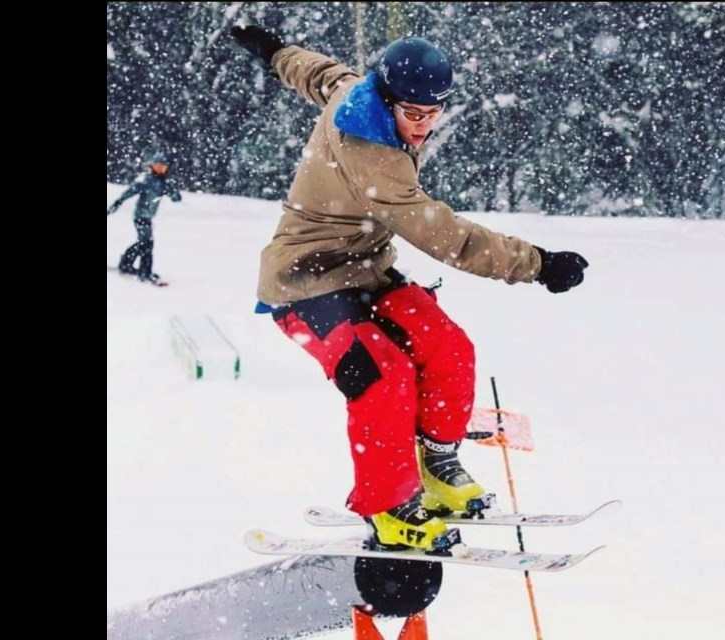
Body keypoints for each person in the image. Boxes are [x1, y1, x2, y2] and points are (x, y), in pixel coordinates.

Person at [232, 26, 588, 552]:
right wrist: (535, 264)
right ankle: (389, 506)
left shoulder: (355, 90)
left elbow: (318, 73)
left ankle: (438, 463)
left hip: (369, 273)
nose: (423, 126)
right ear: (386, 97)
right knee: (381, 373)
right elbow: (446, 237)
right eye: (413, 114)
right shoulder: (374, 157)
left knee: (448, 348)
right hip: (305, 283)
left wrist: (275, 51)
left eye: (433, 112)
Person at [107, 153, 182, 284]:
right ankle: (145, 272)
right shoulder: (146, 180)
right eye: (158, 167)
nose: (160, 169)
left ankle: (126, 263)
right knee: (147, 244)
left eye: (163, 167)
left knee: (144, 243)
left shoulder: (163, 183)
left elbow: (175, 197)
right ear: (153, 166)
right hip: (140, 216)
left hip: (148, 217)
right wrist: (118, 202)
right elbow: (130, 191)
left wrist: (175, 193)